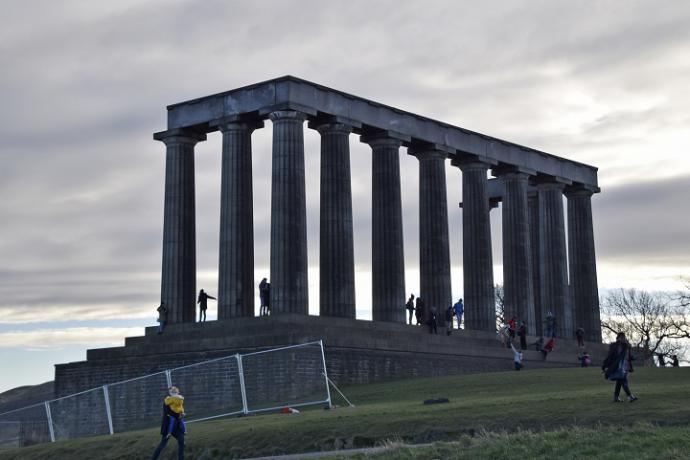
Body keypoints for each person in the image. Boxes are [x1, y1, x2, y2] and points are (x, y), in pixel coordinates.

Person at [151, 386, 186, 460]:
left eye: (175, 392)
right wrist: (179, 414)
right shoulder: (167, 401)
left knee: (182, 442)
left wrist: (181, 414)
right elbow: (169, 413)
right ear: (170, 393)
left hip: (177, 426)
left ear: (178, 393)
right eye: (172, 392)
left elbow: (180, 411)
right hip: (168, 426)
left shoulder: (179, 401)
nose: (174, 393)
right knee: (162, 444)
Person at [602, 332, 638, 403]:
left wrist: (633, 358)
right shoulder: (615, 346)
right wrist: (605, 366)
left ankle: (616, 397)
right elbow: (610, 356)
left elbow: (628, 356)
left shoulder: (626, 346)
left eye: (624, 337)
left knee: (619, 382)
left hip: (625, 366)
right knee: (623, 381)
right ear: (618, 338)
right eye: (621, 337)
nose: (623, 339)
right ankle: (630, 396)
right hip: (618, 366)